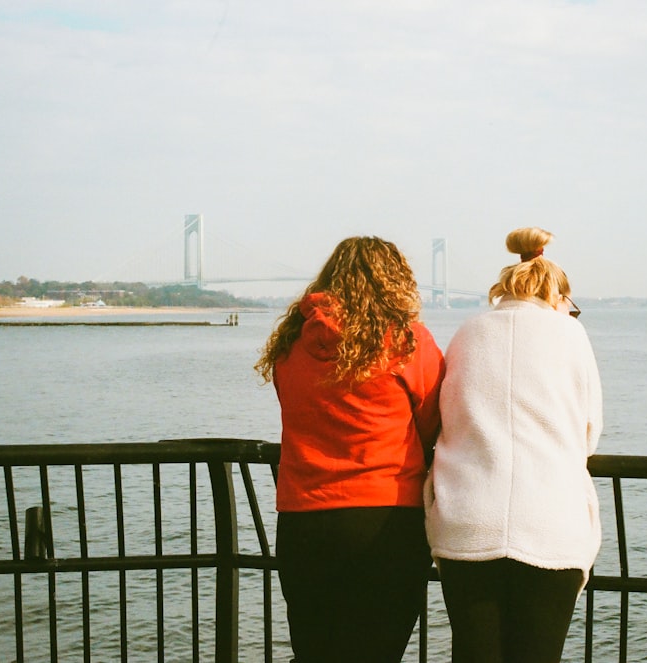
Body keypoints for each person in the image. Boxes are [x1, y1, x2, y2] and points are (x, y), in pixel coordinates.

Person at [255, 236, 445, 663]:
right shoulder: (405, 341)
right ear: (394, 282)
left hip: (303, 523)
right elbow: (434, 422)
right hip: (386, 521)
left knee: (314, 653)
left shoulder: (290, 345)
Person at [424, 227, 603, 663]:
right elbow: (590, 430)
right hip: (550, 525)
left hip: (466, 521)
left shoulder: (469, 332)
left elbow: (443, 416)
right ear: (560, 297)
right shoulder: (569, 335)